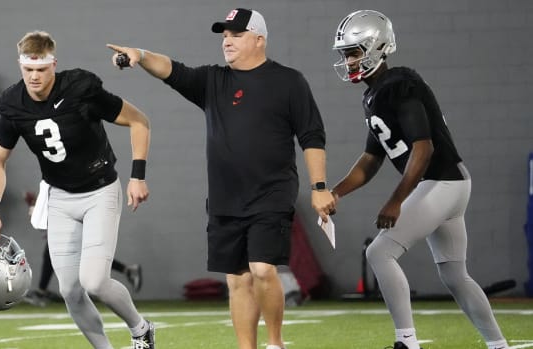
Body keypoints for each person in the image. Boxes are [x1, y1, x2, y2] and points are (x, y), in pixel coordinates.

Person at [107, 8, 335, 349]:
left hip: (272, 192)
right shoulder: (213, 81)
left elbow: (312, 136)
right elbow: (171, 70)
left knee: (261, 269)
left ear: (259, 39)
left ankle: (275, 343)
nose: (227, 40)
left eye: (236, 34)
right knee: (237, 279)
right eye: (224, 35)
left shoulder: (289, 81)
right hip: (226, 197)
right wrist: (140, 56)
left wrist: (319, 187)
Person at [330, 10, 509, 349]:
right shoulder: (376, 93)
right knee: (455, 275)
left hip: (441, 181)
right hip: (449, 183)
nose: (349, 61)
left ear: (377, 47)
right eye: (345, 54)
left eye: (353, 52)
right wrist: (336, 193)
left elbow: (423, 148)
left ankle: (407, 343)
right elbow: (371, 159)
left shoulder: (399, 85)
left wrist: (396, 200)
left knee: (380, 253)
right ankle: (498, 345)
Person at [0, 30, 154, 349]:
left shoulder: (80, 88)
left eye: (41, 69)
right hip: (59, 197)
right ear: (20, 66)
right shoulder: (12, 103)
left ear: (54, 65)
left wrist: (138, 176)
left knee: (95, 282)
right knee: (70, 292)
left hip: (100, 190)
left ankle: (141, 328)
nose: (34, 77)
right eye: (28, 69)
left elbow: (139, 121)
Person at [22, 192, 143, 307]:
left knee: (87, 257)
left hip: (80, 215)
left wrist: (39, 207)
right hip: (76, 216)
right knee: (79, 255)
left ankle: (45, 291)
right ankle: (126, 270)